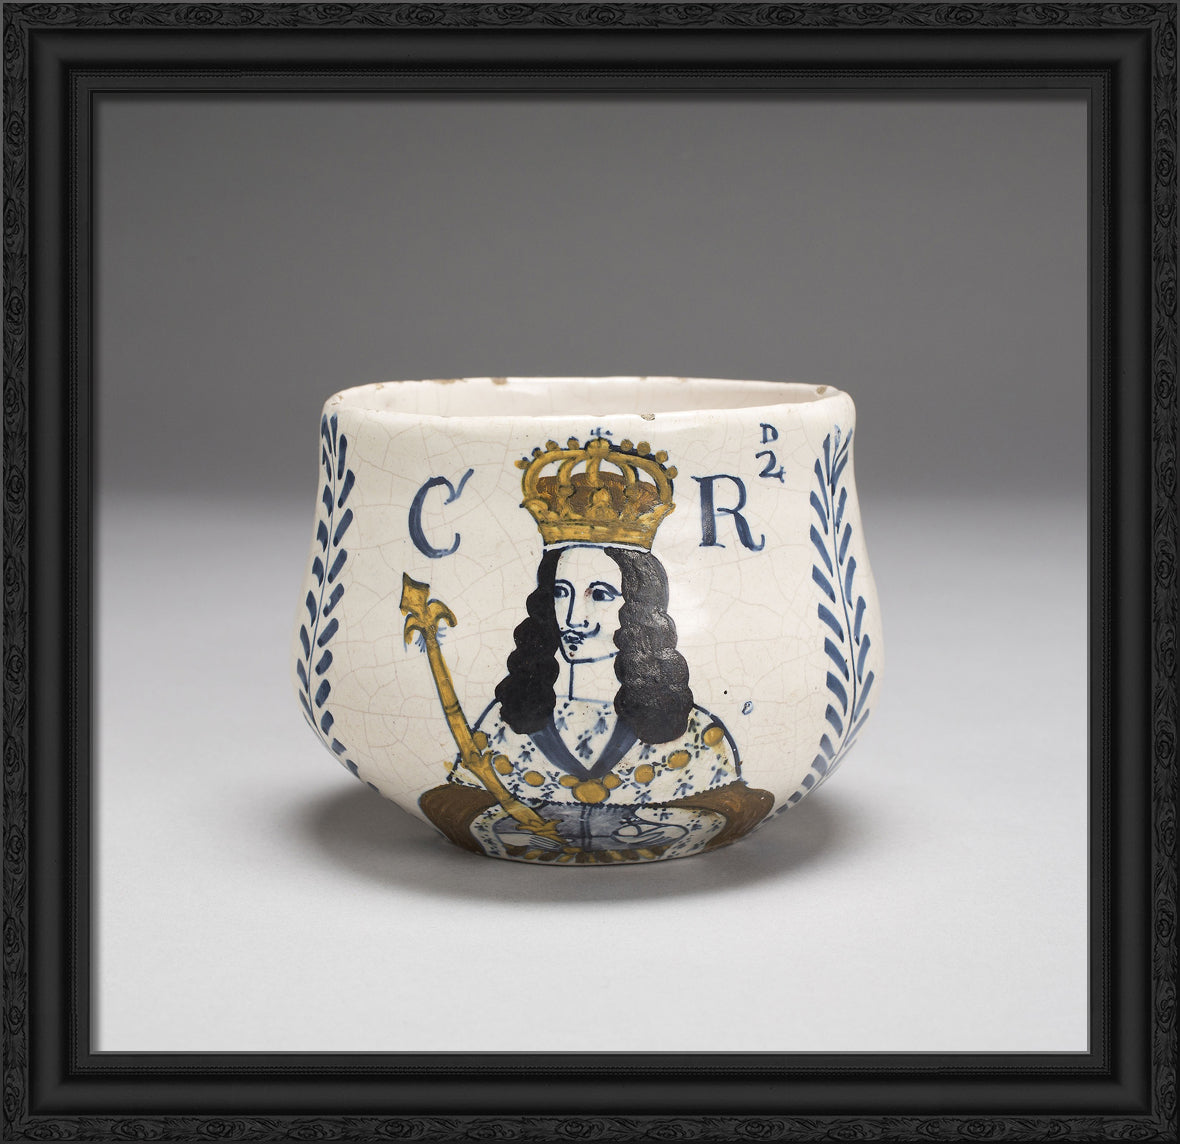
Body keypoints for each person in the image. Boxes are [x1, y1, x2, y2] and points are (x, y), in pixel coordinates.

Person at [418, 437, 772, 864]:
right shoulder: (501, 726)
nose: (575, 619)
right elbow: (458, 804)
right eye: (560, 593)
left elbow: (725, 806)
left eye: (600, 595)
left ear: (640, 606)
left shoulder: (696, 736)